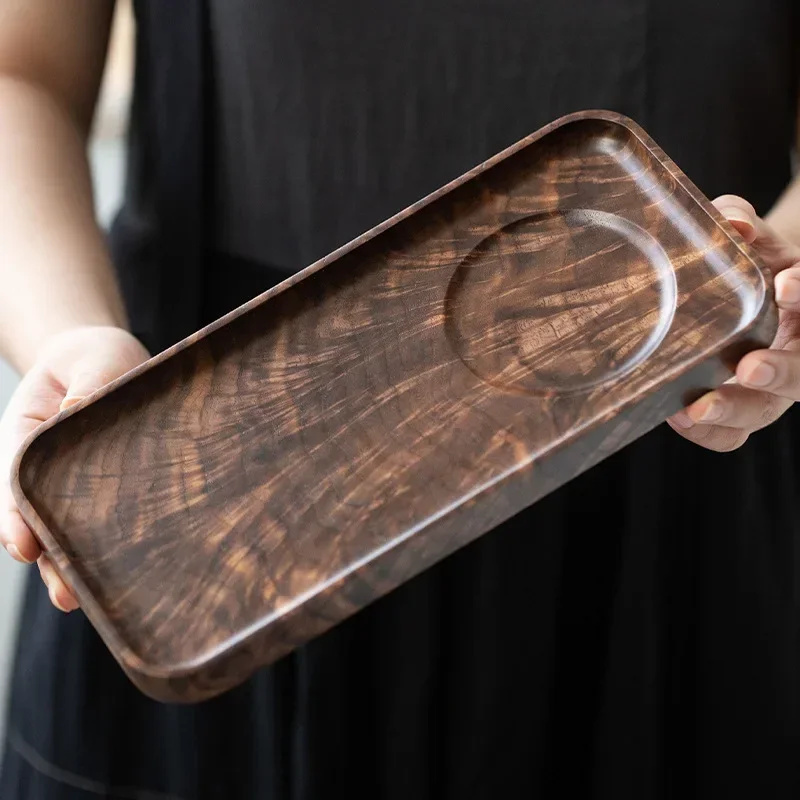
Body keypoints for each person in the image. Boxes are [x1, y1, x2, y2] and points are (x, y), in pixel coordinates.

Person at [1, 1, 799, 797]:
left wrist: (786, 273)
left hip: (674, 450)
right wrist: (67, 337)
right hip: (215, 477)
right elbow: (19, 72)